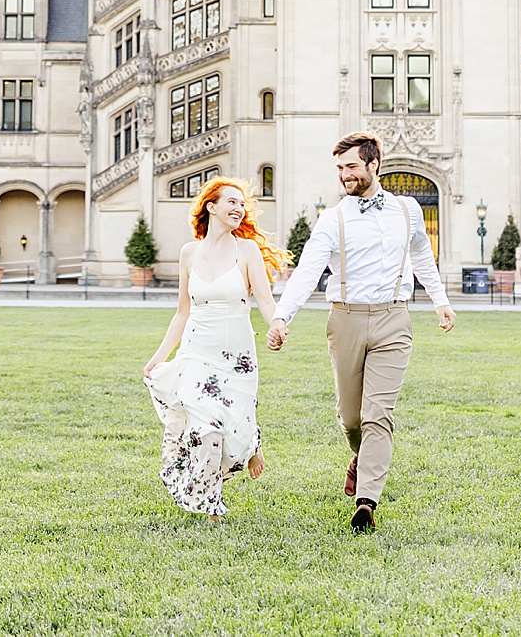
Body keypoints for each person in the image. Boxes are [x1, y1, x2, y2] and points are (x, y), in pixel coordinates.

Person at [267, 132, 455, 532]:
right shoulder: (333, 217)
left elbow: (421, 252)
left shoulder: (408, 210)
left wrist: (440, 300)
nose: (344, 175)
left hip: (394, 319)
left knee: (378, 414)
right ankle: (359, 455)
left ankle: (367, 500)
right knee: (351, 418)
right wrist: (282, 317)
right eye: (339, 168)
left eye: (351, 167)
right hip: (345, 319)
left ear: (374, 165)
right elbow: (308, 270)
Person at [142, 177, 288, 521]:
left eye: (242, 204)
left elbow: (265, 301)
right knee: (205, 428)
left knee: (231, 424)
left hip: (236, 353)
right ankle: (212, 506)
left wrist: (277, 325)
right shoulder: (188, 253)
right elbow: (182, 311)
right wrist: (158, 357)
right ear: (211, 207)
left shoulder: (247, 250)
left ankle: (251, 442)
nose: (239, 209)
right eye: (232, 202)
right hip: (196, 350)